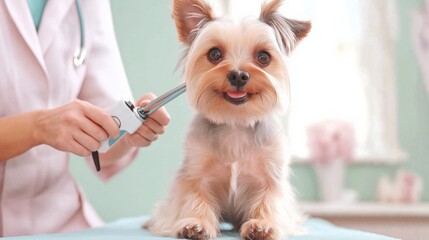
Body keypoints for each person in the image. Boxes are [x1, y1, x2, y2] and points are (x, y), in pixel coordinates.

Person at [0, 0, 170, 237]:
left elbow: (104, 144)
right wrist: (37, 127)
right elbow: (45, 126)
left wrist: (130, 131)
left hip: (61, 220)